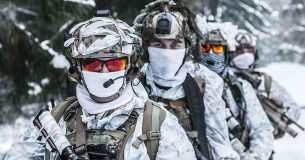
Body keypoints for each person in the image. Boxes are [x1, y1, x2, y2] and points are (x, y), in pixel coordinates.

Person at [5, 12, 196, 160]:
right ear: (78, 68)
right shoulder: (57, 119)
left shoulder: (157, 123)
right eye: (93, 64)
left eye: (115, 64)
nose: (104, 72)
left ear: (129, 67)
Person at [133, 1, 239, 159]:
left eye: (175, 45)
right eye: (158, 44)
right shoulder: (132, 85)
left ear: (187, 48)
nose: (167, 53)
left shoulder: (204, 84)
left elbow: (219, 143)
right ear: (146, 49)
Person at [200, 26, 274, 160]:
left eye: (217, 48)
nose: (211, 53)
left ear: (226, 52)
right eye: (205, 48)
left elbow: (262, 129)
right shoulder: (185, 86)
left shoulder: (241, 88)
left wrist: (255, 156)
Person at [230, 30, 302, 139]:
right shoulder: (221, 80)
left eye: (248, 50)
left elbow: (294, 109)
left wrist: (272, 121)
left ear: (255, 53)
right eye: (238, 51)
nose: (244, 54)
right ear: (229, 54)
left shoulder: (264, 81)